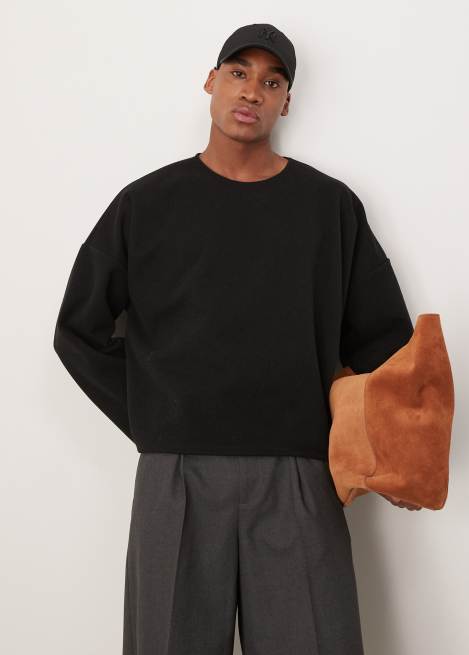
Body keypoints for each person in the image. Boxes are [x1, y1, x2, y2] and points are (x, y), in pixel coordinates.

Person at [53, 22, 419, 655]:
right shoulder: (147, 204)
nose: (252, 91)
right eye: (239, 73)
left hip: (299, 473)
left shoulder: (328, 207)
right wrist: (155, 414)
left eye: (272, 82)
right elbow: (77, 329)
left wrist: (398, 459)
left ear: (286, 102)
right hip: (177, 473)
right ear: (211, 82)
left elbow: (386, 343)